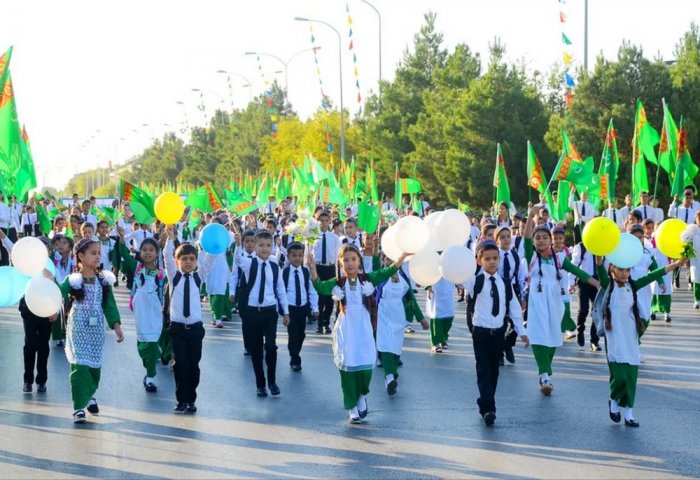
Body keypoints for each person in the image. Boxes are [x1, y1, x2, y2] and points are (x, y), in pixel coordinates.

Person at [310, 244, 408, 423]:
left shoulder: (367, 279)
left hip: (364, 329)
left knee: (365, 365)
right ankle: (352, 407)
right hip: (346, 330)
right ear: (340, 263)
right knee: (347, 366)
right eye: (345, 260)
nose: (350, 263)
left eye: (353, 259)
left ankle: (362, 395)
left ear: (359, 261)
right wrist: (313, 269)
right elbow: (320, 287)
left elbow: (387, 271)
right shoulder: (337, 283)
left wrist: (403, 255)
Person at [595, 255, 684, 427]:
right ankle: (613, 400)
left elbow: (653, 274)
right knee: (619, 376)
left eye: (627, 270)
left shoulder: (633, 285)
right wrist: (599, 257)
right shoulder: (609, 285)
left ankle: (628, 412)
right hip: (614, 336)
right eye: (620, 269)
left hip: (631, 336)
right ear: (612, 268)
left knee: (631, 376)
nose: (624, 273)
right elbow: (599, 269)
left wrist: (676, 264)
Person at [523, 206, 599, 395]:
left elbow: (578, 272)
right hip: (537, 303)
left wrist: (596, 283)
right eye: (537, 238)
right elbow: (525, 238)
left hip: (555, 303)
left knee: (553, 337)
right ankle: (544, 375)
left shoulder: (559, 259)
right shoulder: (531, 256)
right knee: (539, 336)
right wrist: (531, 217)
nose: (540, 240)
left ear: (550, 240)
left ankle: (546, 370)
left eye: (544, 237)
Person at [56, 238, 124, 423]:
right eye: (93, 253)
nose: (97, 256)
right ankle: (78, 407)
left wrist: (116, 325)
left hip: (96, 331)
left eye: (99, 253)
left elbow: (109, 304)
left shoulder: (104, 280)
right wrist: (51, 307)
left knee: (94, 367)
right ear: (80, 256)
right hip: (77, 328)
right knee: (79, 365)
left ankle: (89, 394)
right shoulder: (72, 280)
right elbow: (57, 294)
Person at [466, 241, 529, 426]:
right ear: (479, 260)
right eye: (487, 259)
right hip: (480, 333)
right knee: (483, 370)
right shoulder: (474, 282)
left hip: (498, 333)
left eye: (495, 258)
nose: (491, 262)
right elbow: (458, 275)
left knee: (494, 372)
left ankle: (484, 403)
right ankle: (489, 409)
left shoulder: (505, 284)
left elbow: (515, 309)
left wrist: (522, 331)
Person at [163, 225, 214, 413]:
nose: (188, 262)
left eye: (192, 259)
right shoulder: (174, 276)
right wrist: (170, 239)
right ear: (177, 262)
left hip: (195, 329)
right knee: (179, 365)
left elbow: (210, 260)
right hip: (177, 329)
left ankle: (191, 398)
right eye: (184, 259)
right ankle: (181, 400)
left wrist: (212, 244)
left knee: (193, 366)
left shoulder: (198, 277)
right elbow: (166, 257)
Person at [236, 230, 290, 397]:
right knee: (257, 350)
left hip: (269, 312)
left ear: (272, 246)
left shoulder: (274, 266)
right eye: (261, 245)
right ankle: (261, 384)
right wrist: (238, 244)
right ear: (255, 246)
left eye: (268, 245)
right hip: (253, 312)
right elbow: (238, 259)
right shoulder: (248, 263)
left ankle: (272, 381)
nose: (265, 249)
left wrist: (286, 311)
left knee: (271, 347)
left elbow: (280, 289)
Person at [117, 227, 166, 392]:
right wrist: (122, 238)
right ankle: (149, 366)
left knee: (153, 342)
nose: (147, 253)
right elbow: (123, 253)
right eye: (144, 250)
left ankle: (150, 376)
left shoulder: (161, 273)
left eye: (151, 250)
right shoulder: (137, 267)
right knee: (144, 342)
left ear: (157, 253)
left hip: (155, 310)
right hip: (141, 309)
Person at [375, 252, 427, 395]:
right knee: (386, 346)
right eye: (387, 258)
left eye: (394, 258)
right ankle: (389, 377)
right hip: (383, 315)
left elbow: (411, 299)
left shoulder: (404, 278)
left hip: (398, 316)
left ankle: (392, 374)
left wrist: (420, 318)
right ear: (383, 260)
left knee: (395, 348)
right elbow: (372, 267)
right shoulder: (380, 275)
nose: (391, 261)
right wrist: (373, 251)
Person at [281, 242, 318, 372]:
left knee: (301, 334)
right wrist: (282, 311)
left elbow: (311, 291)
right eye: (294, 255)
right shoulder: (284, 273)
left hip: (302, 308)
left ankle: (295, 352)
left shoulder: (305, 272)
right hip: (290, 308)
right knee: (293, 334)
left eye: (300, 255)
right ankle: (295, 358)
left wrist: (315, 308)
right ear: (288, 257)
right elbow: (281, 292)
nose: (297, 258)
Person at [494, 227, 525, 364]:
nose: (506, 239)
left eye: (508, 236)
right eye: (502, 237)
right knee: (500, 321)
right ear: (496, 241)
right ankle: (499, 351)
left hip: (512, 288)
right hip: (497, 288)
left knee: (516, 319)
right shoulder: (495, 255)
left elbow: (520, 277)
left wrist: (522, 296)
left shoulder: (515, 255)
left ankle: (508, 344)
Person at [570, 238, 600, 351]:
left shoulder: (604, 246)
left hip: (598, 282)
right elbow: (574, 265)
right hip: (583, 281)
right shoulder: (581, 247)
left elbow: (608, 265)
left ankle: (594, 340)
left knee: (596, 311)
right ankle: (580, 329)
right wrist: (571, 282)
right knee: (584, 309)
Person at [313, 211, 340, 334]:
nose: (323, 223)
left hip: (330, 268)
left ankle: (326, 322)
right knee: (320, 297)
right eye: (320, 221)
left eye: (325, 221)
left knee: (329, 298)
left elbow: (337, 256)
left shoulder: (334, 238)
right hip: (318, 268)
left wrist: (337, 272)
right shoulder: (312, 237)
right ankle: (319, 323)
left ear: (329, 221)